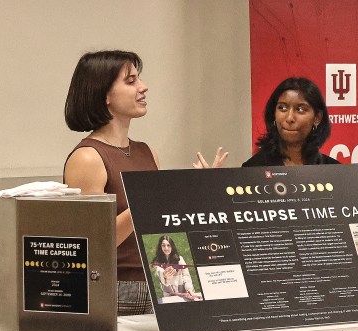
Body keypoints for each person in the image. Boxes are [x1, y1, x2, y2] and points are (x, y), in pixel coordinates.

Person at [63, 50, 222, 315]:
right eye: (130, 81)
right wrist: (150, 200)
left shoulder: (146, 152)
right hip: (115, 287)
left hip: (160, 279)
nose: (143, 87)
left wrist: (198, 189)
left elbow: (160, 221)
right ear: (105, 95)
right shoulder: (88, 158)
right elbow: (94, 241)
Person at [242, 77, 339, 166]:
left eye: (300, 109)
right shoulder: (253, 169)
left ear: (317, 117)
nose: (289, 118)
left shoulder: (334, 171)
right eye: (282, 108)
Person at [152, 235, 200, 301]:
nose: (166, 248)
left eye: (168, 245)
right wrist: (165, 278)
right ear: (160, 247)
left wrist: (189, 289)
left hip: (184, 295)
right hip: (169, 296)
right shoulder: (158, 263)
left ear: (172, 246)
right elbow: (161, 276)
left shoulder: (180, 259)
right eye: (163, 245)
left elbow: (186, 276)